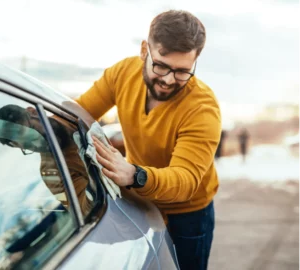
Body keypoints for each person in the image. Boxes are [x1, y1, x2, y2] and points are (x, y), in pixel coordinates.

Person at [75, 10, 221, 270]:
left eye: (182, 72)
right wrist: (36, 122)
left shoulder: (202, 108)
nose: (167, 80)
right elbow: (80, 112)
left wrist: (134, 175)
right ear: (145, 49)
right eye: (161, 65)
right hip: (141, 200)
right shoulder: (122, 73)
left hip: (188, 213)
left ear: (195, 62)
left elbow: (185, 180)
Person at [0, 104, 94, 217]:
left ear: (34, 112)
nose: (40, 144)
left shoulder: (70, 114)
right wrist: (95, 176)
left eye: (34, 134)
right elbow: (84, 210)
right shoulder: (51, 173)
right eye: (28, 145)